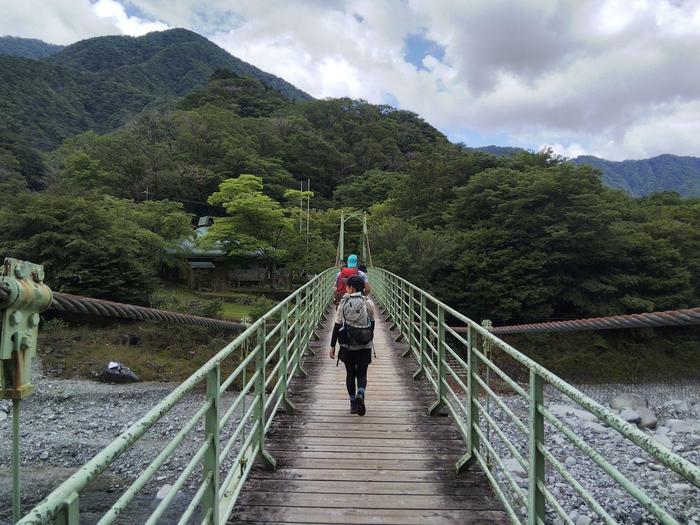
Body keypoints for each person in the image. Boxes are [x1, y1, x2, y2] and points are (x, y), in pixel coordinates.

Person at [329, 275, 375, 416]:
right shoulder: (368, 303)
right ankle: (361, 392)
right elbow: (372, 325)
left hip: (347, 345)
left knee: (350, 373)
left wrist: (332, 346)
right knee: (362, 373)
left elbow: (337, 325)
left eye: (347, 286)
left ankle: (353, 404)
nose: (346, 288)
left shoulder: (343, 302)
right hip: (364, 345)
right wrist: (365, 338)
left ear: (351, 288)